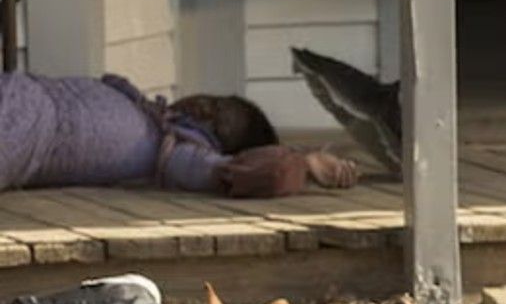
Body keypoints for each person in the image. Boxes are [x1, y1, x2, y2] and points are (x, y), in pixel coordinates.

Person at [0, 71, 359, 197]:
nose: (204, 109)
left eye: (216, 122)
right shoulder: (147, 112)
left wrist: (306, 164)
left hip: (27, 133)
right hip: (20, 90)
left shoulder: (177, 154)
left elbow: (245, 174)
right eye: (212, 102)